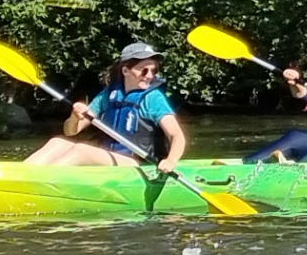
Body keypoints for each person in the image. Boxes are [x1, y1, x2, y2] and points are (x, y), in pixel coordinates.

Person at [31, 38, 191, 169]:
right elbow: (71, 132)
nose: (149, 76)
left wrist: (170, 161)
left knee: (81, 150)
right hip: (110, 157)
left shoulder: (153, 98)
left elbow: (177, 136)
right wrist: (74, 117)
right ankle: (19, 177)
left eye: (154, 71)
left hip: (140, 163)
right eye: (144, 70)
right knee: (57, 142)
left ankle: (42, 183)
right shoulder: (108, 95)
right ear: (126, 71)